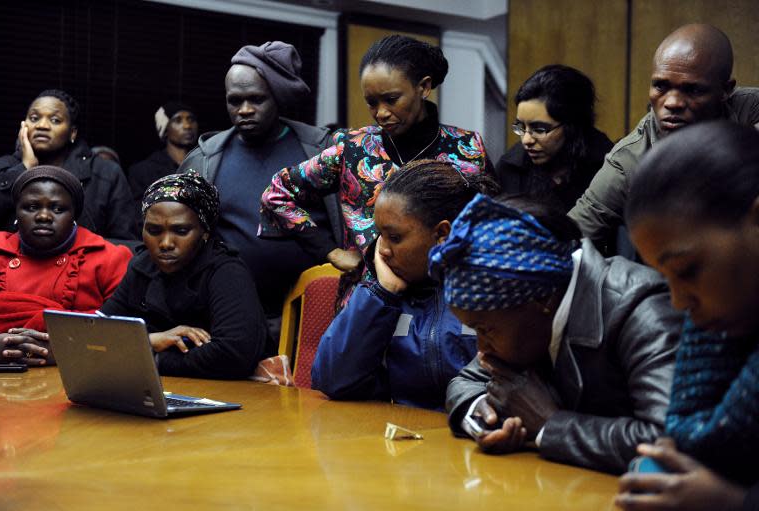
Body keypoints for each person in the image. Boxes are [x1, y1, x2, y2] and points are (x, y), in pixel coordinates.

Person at [432, 194, 681, 474]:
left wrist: (550, 425)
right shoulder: (525, 307)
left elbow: (669, 441)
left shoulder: (638, 307)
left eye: (484, 329)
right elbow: (466, 382)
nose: (480, 348)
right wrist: (485, 416)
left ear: (543, 301)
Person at [259, 34, 491, 304]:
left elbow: (489, 224)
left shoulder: (466, 148)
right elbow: (277, 193)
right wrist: (331, 252)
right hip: (367, 303)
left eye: (391, 99)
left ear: (424, 87)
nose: (381, 113)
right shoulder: (354, 149)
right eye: (372, 102)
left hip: (446, 304)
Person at [615, 121, 759, 510]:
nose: (678, 303)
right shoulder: (720, 328)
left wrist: (735, 501)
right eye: (666, 278)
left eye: (688, 269)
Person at [179, 41, 340, 338]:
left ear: (277, 98)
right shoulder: (204, 160)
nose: (244, 110)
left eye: (256, 99)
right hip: (231, 316)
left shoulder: (320, 150)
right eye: (234, 101)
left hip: (314, 313)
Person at [312, 160, 498, 410]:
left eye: (395, 238)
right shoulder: (384, 296)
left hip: (477, 436)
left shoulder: (491, 291)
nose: (383, 250)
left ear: (442, 233)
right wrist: (382, 294)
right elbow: (332, 380)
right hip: (408, 439)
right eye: (380, 235)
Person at [568, 24, 759, 251]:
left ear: (726, 91)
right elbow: (573, 234)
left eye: (693, 90)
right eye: (661, 86)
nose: (672, 102)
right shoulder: (629, 160)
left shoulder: (751, 107)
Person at [99, 171, 274, 379]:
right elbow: (99, 334)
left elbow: (234, 354)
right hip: (163, 389)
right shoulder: (142, 266)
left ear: (205, 232)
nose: (165, 244)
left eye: (181, 231)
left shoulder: (226, 271)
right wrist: (151, 340)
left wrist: (154, 359)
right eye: (154, 231)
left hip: (239, 396)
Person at [0, 166, 132, 366]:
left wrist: (66, 349)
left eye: (58, 209)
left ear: (75, 215)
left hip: (83, 374)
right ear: (16, 212)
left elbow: (126, 333)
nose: (43, 216)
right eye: (31, 207)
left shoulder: (107, 258)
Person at [0, 89, 135, 240]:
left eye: (55, 120)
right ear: (24, 126)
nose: (42, 125)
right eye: (34, 118)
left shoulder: (105, 173)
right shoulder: (1, 168)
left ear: (72, 132)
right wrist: (24, 168)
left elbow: (126, 243)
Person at [497, 64, 613, 210]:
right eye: (521, 127)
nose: (526, 140)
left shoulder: (609, 167)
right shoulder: (510, 168)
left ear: (572, 126)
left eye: (539, 129)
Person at [128, 103, 199, 234]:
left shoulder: (205, 166)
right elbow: (138, 219)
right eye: (178, 120)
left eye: (191, 119)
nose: (187, 126)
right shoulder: (144, 171)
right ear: (165, 129)